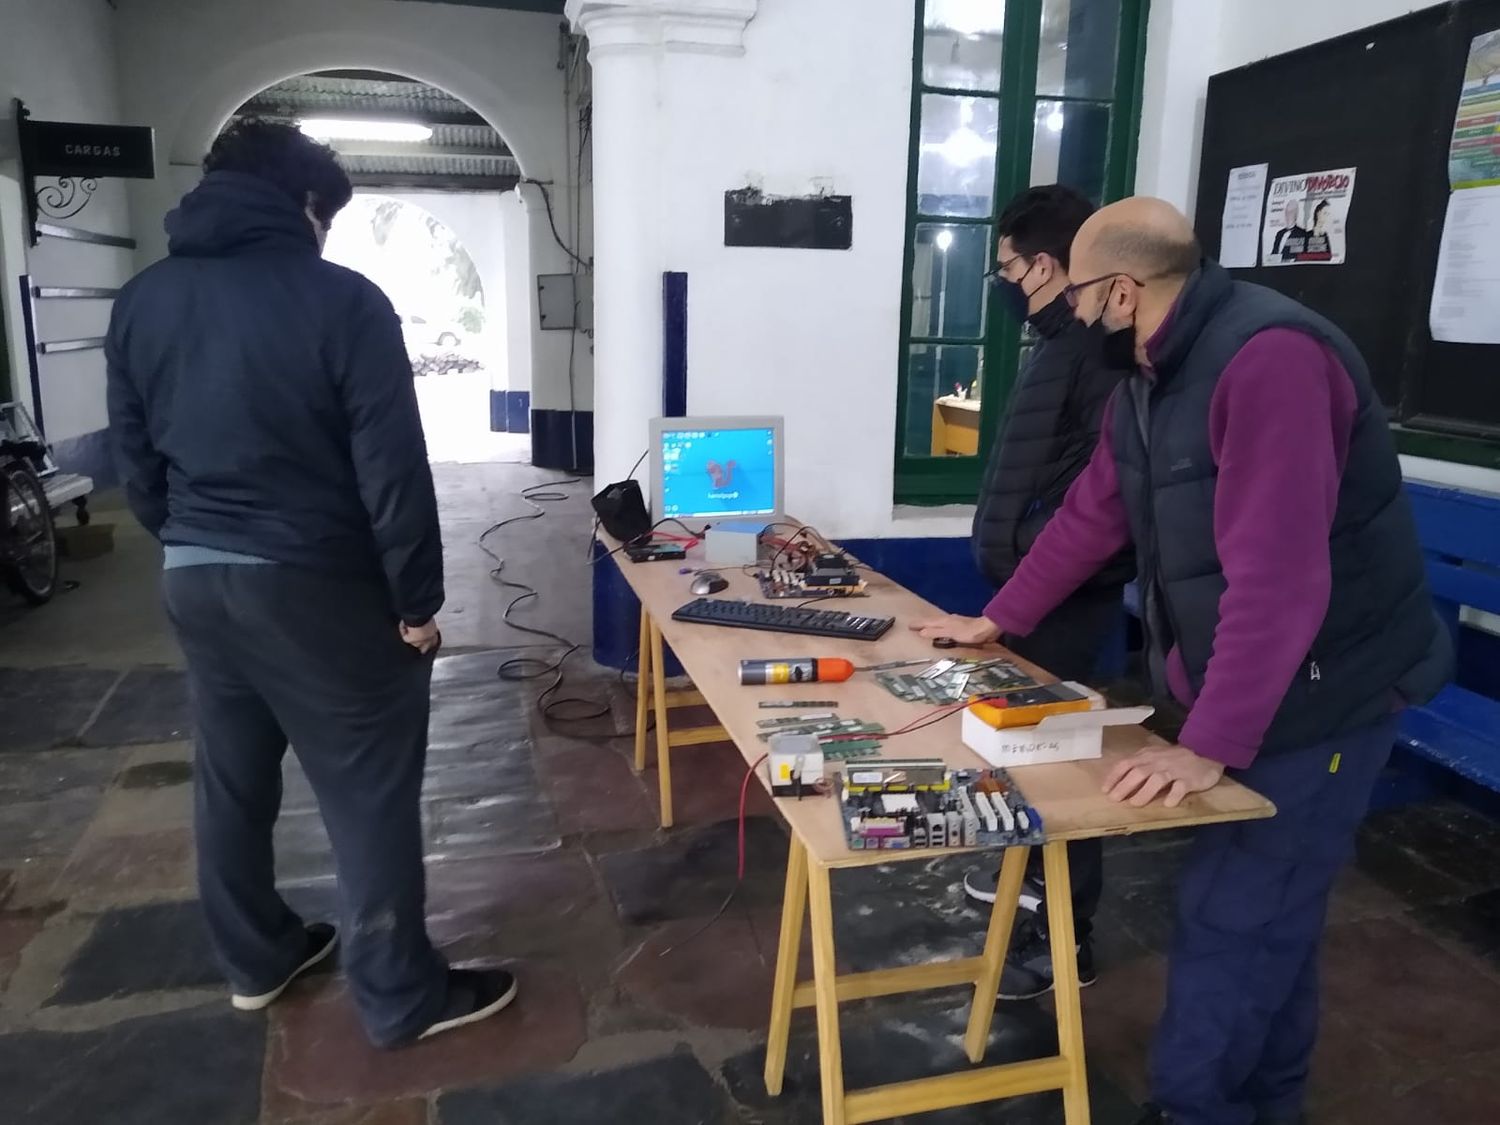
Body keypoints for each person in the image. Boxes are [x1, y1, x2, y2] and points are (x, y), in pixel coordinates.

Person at [915, 197, 1451, 1125]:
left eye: (1078, 298)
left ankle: (1194, 1110)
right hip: (1274, 675)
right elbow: (1096, 511)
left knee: (1232, 914)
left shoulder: (1270, 360)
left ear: (1122, 289)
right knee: (1268, 919)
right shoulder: (1153, 371)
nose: (1068, 317)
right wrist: (995, 620)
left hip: (1328, 689)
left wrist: (1209, 740)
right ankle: (1266, 1102)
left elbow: (1280, 576)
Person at [106, 120, 517, 1048]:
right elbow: (394, 472)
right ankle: (399, 992)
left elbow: (136, 467)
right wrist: (416, 605)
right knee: (368, 787)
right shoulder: (343, 302)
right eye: (324, 216)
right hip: (318, 588)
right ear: (304, 203)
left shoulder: (143, 300)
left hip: (195, 579)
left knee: (232, 777)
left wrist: (194, 543)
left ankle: (258, 957)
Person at [968, 184, 1133, 1001]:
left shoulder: (1099, 355)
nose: (1002, 284)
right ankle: (1024, 878)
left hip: (1066, 592)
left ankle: (1069, 938)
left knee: (1059, 761)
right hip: (1032, 590)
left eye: (1006, 267)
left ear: (1044, 265)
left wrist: (1021, 572)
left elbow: (1090, 506)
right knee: (1021, 750)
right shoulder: (1060, 344)